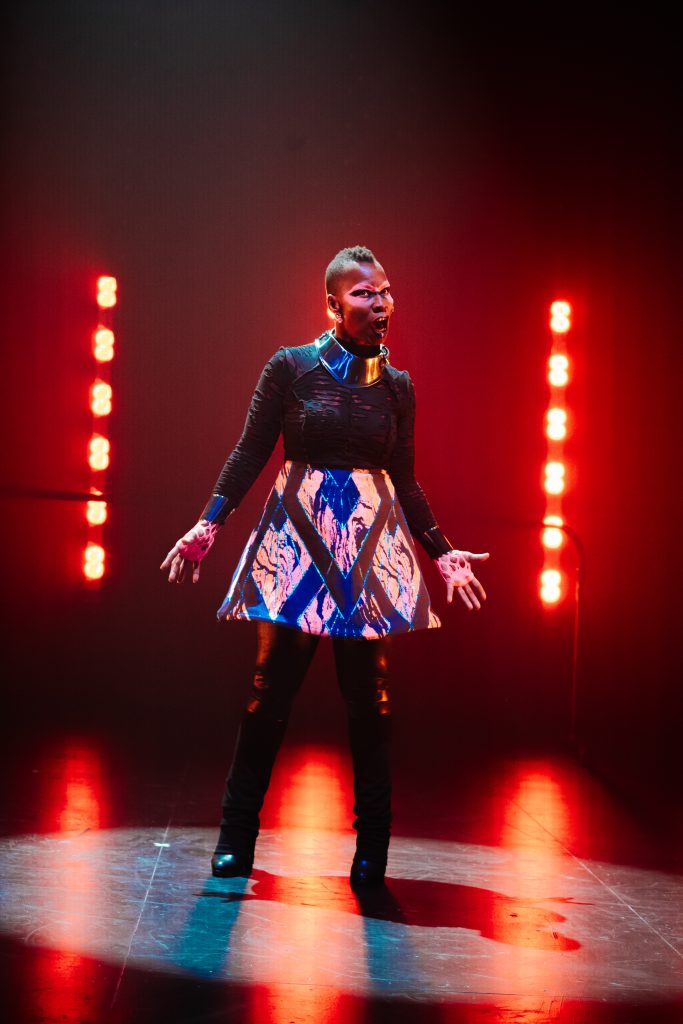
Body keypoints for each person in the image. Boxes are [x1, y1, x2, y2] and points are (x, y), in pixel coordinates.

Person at [160, 245, 489, 887]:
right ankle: (235, 840)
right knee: (268, 699)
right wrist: (210, 521)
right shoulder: (291, 369)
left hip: (367, 556)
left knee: (372, 707)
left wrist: (441, 549)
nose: (380, 303)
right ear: (333, 304)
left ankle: (372, 852)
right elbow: (252, 449)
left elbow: (406, 480)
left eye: (386, 291)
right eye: (364, 293)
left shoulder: (397, 388)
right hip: (296, 548)